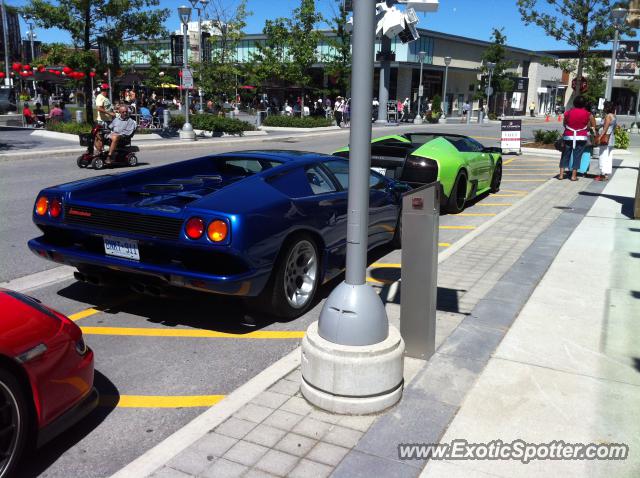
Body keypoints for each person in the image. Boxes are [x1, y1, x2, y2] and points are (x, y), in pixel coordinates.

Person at [559, 95, 595, 181]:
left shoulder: (568, 112)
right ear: (584, 104)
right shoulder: (588, 114)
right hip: (581, 136)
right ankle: (573, 176)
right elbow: (591, 126)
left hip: (568, 136)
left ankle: (561, 175)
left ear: (574, 103)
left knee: (565, 155)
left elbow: (564, 124)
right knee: (577, 156)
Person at [595, 101, 617, 181]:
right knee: (608, 156)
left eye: (604, 107)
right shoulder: (614, 116)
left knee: (602, 156)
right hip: (611, 138)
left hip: (605, 138)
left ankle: (602, 174)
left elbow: (605, 128)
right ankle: (606, 174)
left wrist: (600, 137)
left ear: (607, 108)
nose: (604, 108)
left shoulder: (608, 116)